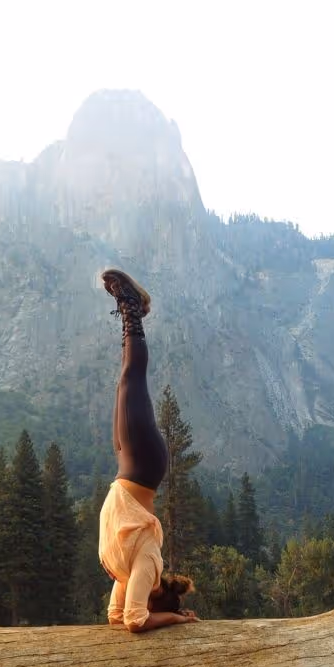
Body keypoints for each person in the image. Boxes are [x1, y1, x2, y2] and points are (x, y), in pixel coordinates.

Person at [98, 267, 199, 632]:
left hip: (128, 468)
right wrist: (175, 618)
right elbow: (136, 621)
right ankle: (133, 307)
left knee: (123, 385)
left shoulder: (128, 570)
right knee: (131, 379)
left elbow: (118, 617)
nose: (131, 596)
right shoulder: (149, 562)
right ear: (155, 594)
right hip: (143, 466)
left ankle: (131, 309)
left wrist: (163, 614)